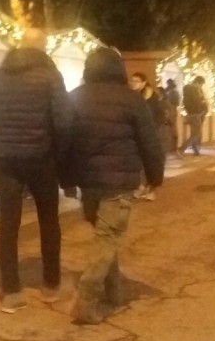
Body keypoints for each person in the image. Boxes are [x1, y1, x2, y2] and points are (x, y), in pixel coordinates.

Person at [0, 28, 72, 314]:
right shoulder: (50, 77)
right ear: (40, 48)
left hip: (6, 161)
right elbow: (64, 122)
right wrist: (58, 154)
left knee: (9, 223)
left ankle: (11, 290)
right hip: (42, 159)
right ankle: (51, 285)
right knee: (49, 221)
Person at [63, 48, 164, 324]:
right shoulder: (132, 101)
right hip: (119, 183)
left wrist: (68, 180)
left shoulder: (74, 98)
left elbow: (64, 143)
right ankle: (86, 298)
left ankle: (114, 289)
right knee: (107, 237)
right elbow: (150, 144)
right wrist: (155, 178)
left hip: (88, 183)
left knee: (106, 235)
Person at [128, 72, 168, 200]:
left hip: (151, 134)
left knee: (150, 161)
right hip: (137, 134)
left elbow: (159, 115)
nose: (133, 83)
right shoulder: (132, 96)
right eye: (132, 80)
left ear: (144, 82)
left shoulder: (151, 97)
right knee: (138, 161)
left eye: (136, 81)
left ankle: (149, 189)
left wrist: (152, 129)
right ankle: (141, 187)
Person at [180, 75, 208, 155]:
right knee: (196, 134)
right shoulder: (194, 90)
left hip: (190, 114)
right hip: (196, 114)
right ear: (198, 83)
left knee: (194, 133)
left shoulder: (187, 89)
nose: (201, 86)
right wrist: (202, 108)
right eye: (201, 84)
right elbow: (198, 102)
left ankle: (196, 151)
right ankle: (182, 149)